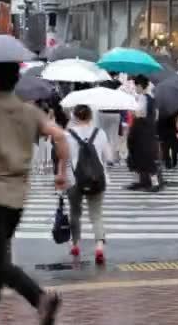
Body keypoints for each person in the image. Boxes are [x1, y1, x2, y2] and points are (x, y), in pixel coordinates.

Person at [0, 62, 68, 324]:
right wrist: (61, 172)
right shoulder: (29, 111)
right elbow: (60, 136)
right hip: (17, 197)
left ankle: (39, 298)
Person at [66, 105, 111, 264]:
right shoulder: (100, 133)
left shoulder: (67, 135)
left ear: (75, 117)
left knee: (75, 213)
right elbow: (108, 157)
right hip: (96, 178)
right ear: (91, 117)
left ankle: (76, 243)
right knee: (96, 214)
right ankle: (99, 246)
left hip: (73, 179)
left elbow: (63, 158)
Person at [127, 75, 161, 192]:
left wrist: (132, 110)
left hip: (140, 131)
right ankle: (147, 182)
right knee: (145, 156)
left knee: (141, 156)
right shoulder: (152, 98)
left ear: (140, 86)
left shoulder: (142, 97)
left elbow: (140, 114)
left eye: (136, 86)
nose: (135, 88)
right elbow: (156, 115)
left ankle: (149, 183)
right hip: (149, 131)